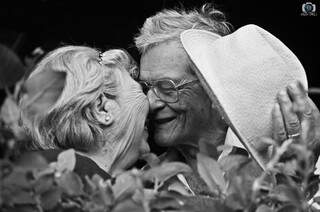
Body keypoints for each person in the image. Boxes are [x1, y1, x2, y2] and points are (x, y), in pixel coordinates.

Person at [134, 4, 320, 195]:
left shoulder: (297, 161)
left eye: (167, 87)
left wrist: (295, 180)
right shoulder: (144, 184)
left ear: (211, 87)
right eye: (147, 87)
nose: (151, 102)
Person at [18, 46, 150, 177]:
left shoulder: (34, 178)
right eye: (140, 88)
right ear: (101, 108)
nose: (151, 100)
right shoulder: (74, 187)